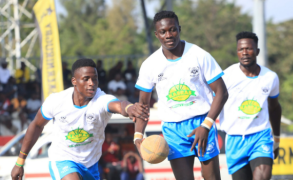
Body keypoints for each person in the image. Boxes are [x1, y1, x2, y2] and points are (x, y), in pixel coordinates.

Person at [11, 58, 149, 180]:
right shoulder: (56, 101)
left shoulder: (101, 99)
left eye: (95, 79)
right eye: (86, 79)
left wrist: (130, 108)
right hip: (63, 160)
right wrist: (20, 162)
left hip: (91, 165)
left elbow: (119, 105)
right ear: (74, 81)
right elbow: (36, 125)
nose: (91, 83)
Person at [134, 11, 228, 180]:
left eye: (173, 29)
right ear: (157, 34)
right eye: (163, 32)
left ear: (179, 29)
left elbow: (222, 92)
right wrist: (138, 135)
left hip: (201, 122)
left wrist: (206, 125)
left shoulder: (199, 55)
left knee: (212, 178)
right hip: (173, 129)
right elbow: (142, 105)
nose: (168, 35)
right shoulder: (150, 65)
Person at [219, 31, 282, 180]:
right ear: (237, 52)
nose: (245, 53)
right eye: (241, 49)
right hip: (234, 139)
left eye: (249, 48)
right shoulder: (226, 77)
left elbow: (274, 108)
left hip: (260, 136)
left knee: (262, 175)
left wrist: (277, 139)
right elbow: (214, 103)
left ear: (257, 51)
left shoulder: (270, 77)